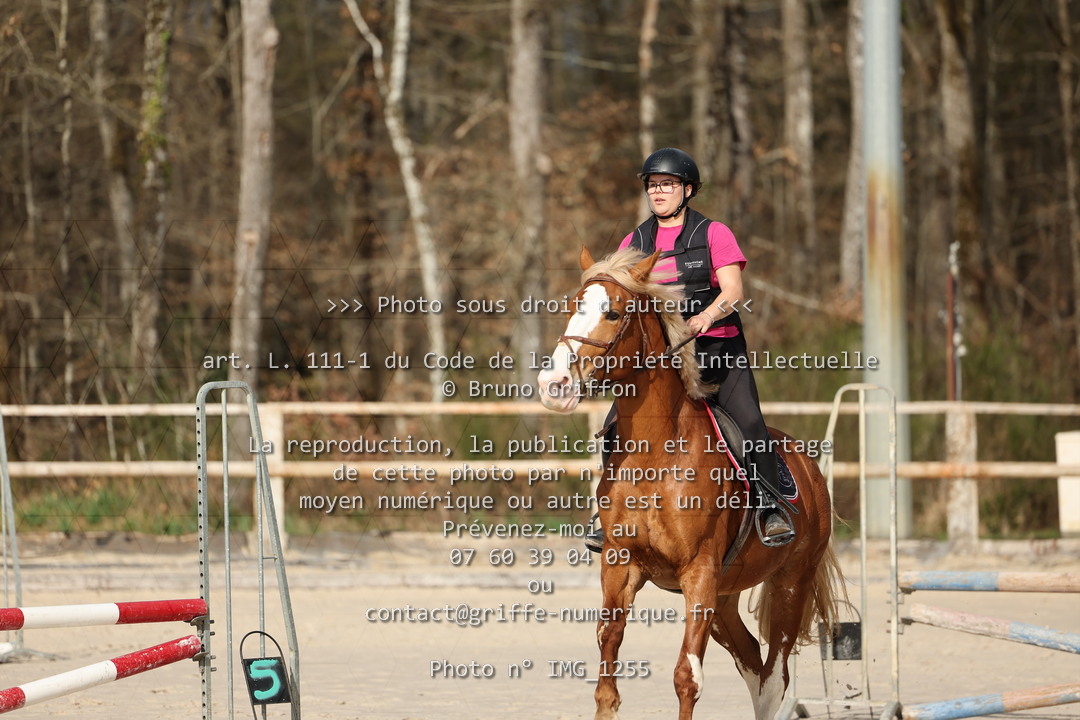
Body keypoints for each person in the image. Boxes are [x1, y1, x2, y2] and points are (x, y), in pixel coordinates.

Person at [584, 147, 792, 551]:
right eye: (652, 185)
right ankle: (607, 511)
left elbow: (733, 290)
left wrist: (707, 316)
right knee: (612, 431)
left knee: (750, 424)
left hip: (717, 352)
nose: (658, 192)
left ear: (688, 190)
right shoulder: (634, 241)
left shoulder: (714, 233)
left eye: (667, 184)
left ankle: (770, 508)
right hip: (662, 362)